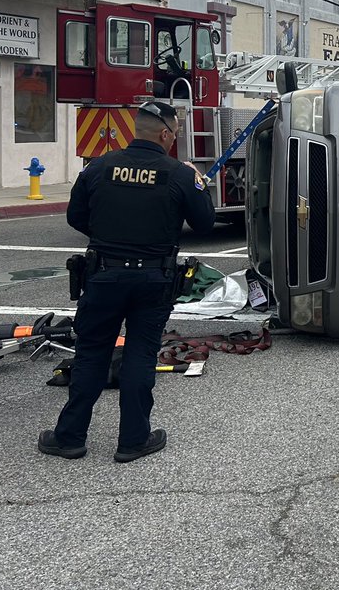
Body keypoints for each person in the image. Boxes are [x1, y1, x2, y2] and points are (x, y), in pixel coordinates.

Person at [39, 101, 216, 462]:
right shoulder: (179, 173)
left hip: (104, 274)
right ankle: (133, 440)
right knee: (139, 354)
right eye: (174, 134)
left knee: (91, 354)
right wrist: (197, 184)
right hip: (154, 279)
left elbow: (77, 216)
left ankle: (69, 437)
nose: (174, 139)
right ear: (165, 134)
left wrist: (108, 237)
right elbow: (205, 224)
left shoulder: (99, 167)